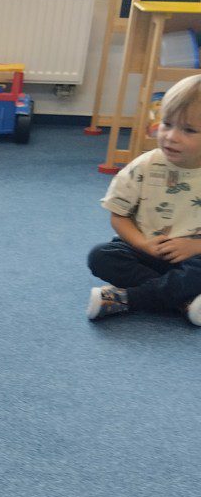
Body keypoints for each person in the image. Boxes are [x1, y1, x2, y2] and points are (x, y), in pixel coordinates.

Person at [87, 73, 201, 325]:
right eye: (167, 124)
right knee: (101, 256)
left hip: (194, 257)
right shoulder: (145, 165)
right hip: (146, 251)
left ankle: (129, 299)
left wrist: (194, 247)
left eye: (188, 130)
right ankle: (184, 302)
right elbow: (119, 215)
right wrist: (144, 244)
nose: (171, 136)